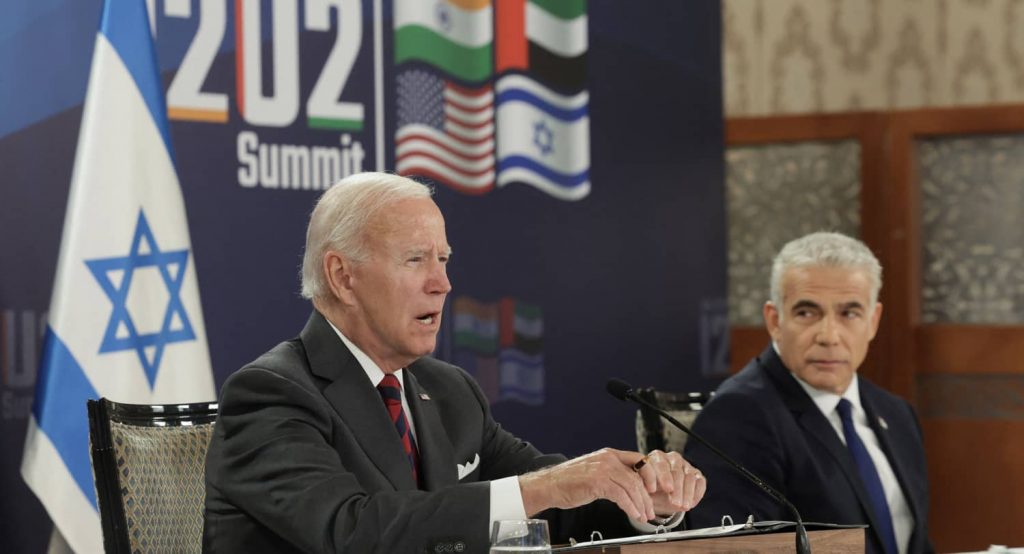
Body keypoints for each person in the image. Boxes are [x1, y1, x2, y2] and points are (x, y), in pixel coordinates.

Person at [203, 172, 706, 553]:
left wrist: (644, 500)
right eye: (415, 259)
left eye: (443, 260)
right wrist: (546, 486)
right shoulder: (271, 393)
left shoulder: (447, 390)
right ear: (342, 276)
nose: (441, 283)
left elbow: (552, 500)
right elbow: (350, 531)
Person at [683, 232, 932, 553]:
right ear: (775, 320)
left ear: (873, 321)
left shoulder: (897, 413)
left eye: (849, 313)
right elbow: (738, 550)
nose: (829, 335)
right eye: (806, 313)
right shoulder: (739, 415)